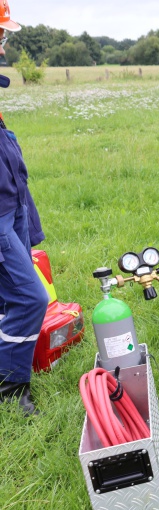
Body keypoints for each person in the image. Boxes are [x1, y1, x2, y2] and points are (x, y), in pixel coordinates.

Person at [0, 0, 50, 416]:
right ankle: (11, 387)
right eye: (0, 35)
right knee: (30, 298)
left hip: (11, 197)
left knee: (10, 298)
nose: (3, 47)